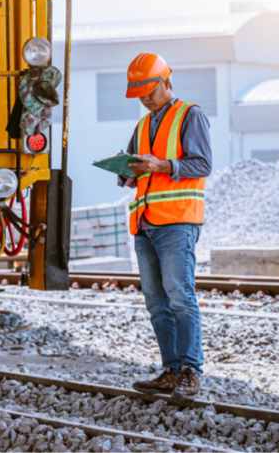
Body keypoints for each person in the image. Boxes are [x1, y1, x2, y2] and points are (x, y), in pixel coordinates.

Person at [117, 52, 212, 397]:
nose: (144, 99)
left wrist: (160, 166)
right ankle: (171, 370)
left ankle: (190, 370)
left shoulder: (191, 115)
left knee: (180, 297)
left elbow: (202, 164)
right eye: (139, 94)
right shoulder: (141, 126)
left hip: (176, 222)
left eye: (149, 91)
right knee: (157, 302)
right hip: (144, 224)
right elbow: (135, 167)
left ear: (166, 82)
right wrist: (126, 172)